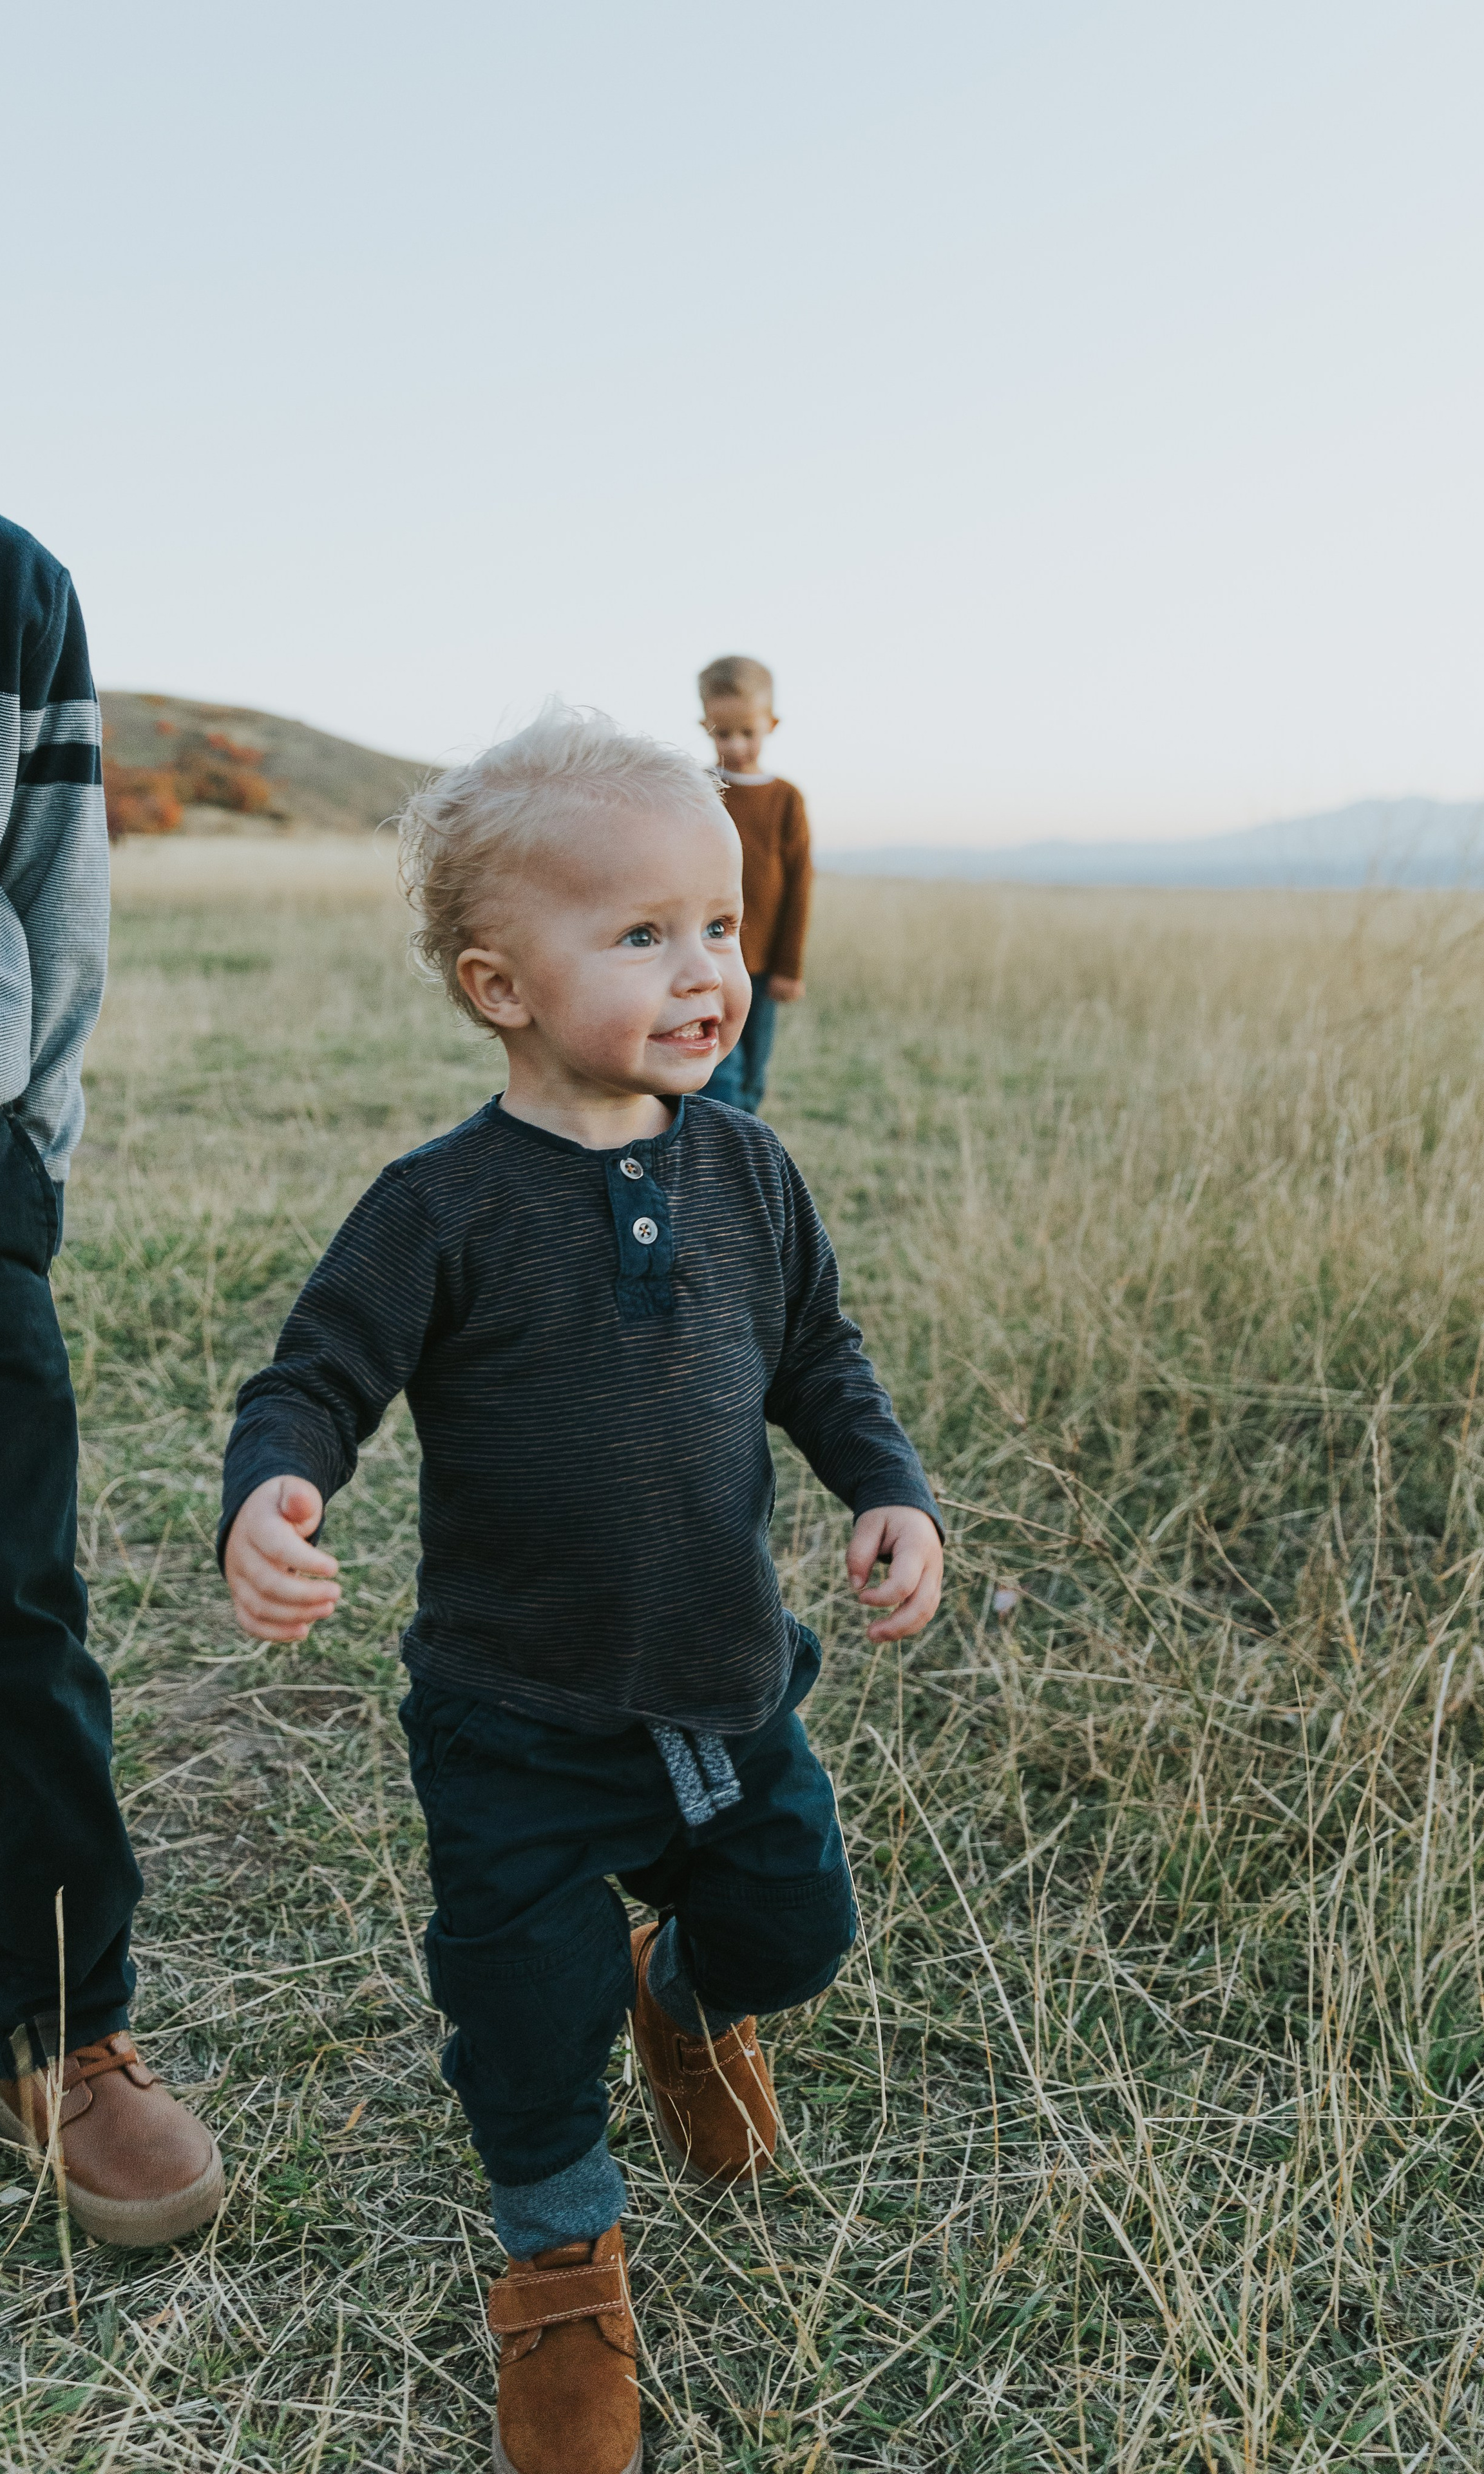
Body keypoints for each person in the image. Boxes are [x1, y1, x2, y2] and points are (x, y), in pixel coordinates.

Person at [218, 704, 943, 2474]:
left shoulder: (754, 1175)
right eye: (641, 936)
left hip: (723, 1690)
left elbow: (823, 1361)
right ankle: (558, 2263)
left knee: (800, 1933)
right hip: (515, 1725)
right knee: (524, 2022)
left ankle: (685, 1995)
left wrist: (887, 1487)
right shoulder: (442, 1208)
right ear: (499, 987)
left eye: (717, 926)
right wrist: (277, 1485)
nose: (709, 971)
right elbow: (311, 1377)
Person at [0, 81, 222, 2246]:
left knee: (14, 1618)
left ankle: (64, 2028)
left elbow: (57, 905)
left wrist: (29, 1155)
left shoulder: (3, 584)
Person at [698, 653, 812, 1115]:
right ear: (705, 723)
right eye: (723, 733)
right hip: (704, 956)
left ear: (772, 724)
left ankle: (746, 1149)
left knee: (752, 1070)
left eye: (748, 732)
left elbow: (799, 886)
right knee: (715, 1065)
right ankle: (716, 1147)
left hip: (764, 966)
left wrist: (790, 967)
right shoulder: (696, 787)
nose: (736, 744)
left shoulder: (785, 798)